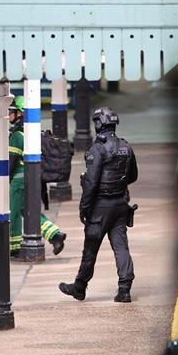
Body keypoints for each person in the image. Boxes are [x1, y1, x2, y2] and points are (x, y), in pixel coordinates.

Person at [58, 107, 138, 302]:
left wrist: (84, 208)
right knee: (121, 247)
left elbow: (92, 183)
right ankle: (124, 289)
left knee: (90, 249)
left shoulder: (97, 148)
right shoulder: (125, 146)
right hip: (120, 204)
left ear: (98, 124)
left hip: (100, 208)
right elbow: (133, 176)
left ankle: (79, 287)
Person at [7, 96, 67, 256]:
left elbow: (11, 163)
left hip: (19, 182)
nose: (9, 115)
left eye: (11, 111)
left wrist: (3, 179)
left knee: (13, 213)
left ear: (21, 113)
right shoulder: (32, 133)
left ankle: (14, 248)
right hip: (32, 179)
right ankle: (55, 235)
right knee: (29, 210)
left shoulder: (17, 136)